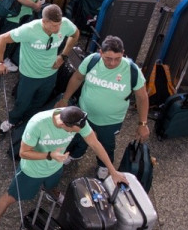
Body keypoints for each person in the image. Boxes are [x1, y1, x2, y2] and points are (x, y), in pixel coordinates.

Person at [0, 106, 126, 230]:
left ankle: (53, 194)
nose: (77, 133)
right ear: (64, 125)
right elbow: (24, 153)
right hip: (32, 171)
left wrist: (112, 170)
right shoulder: (38, 123)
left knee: (52, 185)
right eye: (73, 131)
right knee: (11, 197)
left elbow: (95, 144)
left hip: (56, 166)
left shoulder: (77, 119)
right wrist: (50, 155)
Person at [58, 35, 149, 178]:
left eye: (117, 59)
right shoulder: (92, 61)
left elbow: (142, 97)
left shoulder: (132, 70)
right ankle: (76, 154)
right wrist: (65, 99)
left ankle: (103, 165)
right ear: (100, 52)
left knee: (107, 144)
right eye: (108, 58)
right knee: (79, 137)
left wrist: (143, 123)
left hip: (110, 121)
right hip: (84, 113)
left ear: (123, 53)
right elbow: (77, 78)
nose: (112, 63)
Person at [0, 4, 80, 136]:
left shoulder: (65, 25)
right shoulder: (29, 30)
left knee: (38, 103)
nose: (58, 29)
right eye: (53, 25)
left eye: (59, 24)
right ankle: (12, 121)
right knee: (22, 103)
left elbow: (75, 34)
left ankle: (27, 123)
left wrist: (63, 55)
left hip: (50, 74)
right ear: (44, 21)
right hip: (29, 75)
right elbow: (2, 39)